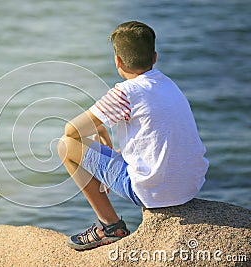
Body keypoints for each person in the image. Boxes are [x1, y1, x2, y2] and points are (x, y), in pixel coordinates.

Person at [57, 21, 209, 251]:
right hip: (190, 186)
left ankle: (110, 227)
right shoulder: (168, 84)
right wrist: (100, 129)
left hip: (153, 192)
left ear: (117, 61)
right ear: (155, 57)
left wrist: (98, 130)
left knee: (65, 146)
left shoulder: (124, 92)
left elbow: (71, 130)